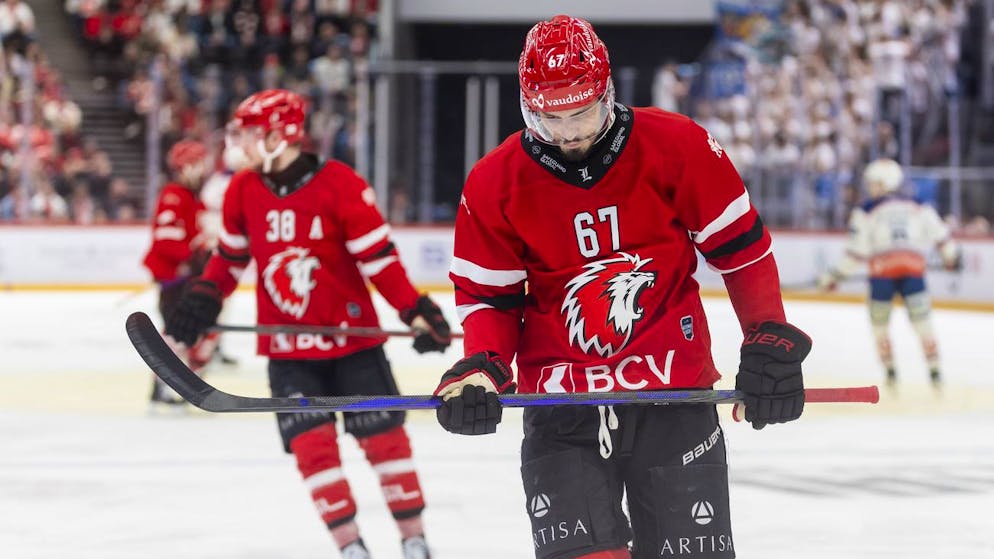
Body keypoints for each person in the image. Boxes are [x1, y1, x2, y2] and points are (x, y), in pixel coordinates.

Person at [433, 15, 811, 559]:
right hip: (562, 409)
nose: (568, 132)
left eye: (582, 112)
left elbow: (742, 250)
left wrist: (768, 335)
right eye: (550, 117)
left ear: (607, 93)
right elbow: (490, 298)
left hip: (674, 398)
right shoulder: (494, 182)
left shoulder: (677, 145)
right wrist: (482, 365)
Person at [164, 89, 451, 559]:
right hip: (288, 353)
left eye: (249, 133)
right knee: (312, 450)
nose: (239, 143)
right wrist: (205, 296)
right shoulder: (242, 189)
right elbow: (231, 259)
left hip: (353, 347)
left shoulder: (340, 183)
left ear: (280, 134)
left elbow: (379, 260)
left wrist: (414, 309)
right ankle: (351, 548)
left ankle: (414, 542)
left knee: (385, 442)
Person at [817, 158, 960, 388]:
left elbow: (856, 254)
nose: (870, 187)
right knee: (923, 322)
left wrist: (833, 277)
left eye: (873, 183)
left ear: (883, 183)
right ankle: (935, 373)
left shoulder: (865, 210)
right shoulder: (919, 205)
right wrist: (952, 258)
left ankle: (891, 374)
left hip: (881, 274)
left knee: (879, 326)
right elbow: (942, 237)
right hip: (913, 270)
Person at [142, 139, 214, 409]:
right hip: (175, 281)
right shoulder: (174, 194)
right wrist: (191, 257)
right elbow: (166, 237)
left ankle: (165, 386)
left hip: (184, 280)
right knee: (175, 334)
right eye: (197, 164)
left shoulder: (190, 197)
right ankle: (162, 387)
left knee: (181, 334)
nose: (202, 170)